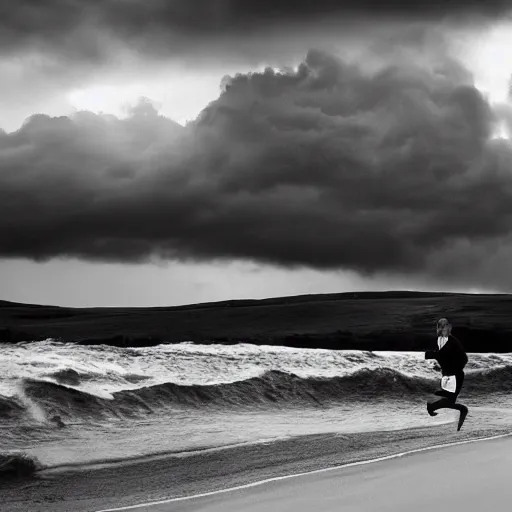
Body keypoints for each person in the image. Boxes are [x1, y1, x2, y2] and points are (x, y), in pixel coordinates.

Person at [425, 318, 469, 431]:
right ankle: (432, 407)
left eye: (446, 326)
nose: (444, 329)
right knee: (448, 400)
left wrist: (453, 369)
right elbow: (442, 356)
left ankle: (461, 410)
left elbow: (464, 358)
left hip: (455, 376)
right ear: (439, 328)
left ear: (448, 327)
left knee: (449, 400)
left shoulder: (453, 341)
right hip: (446, 375)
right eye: (441, 327)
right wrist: (439, 366)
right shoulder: (439, 340)